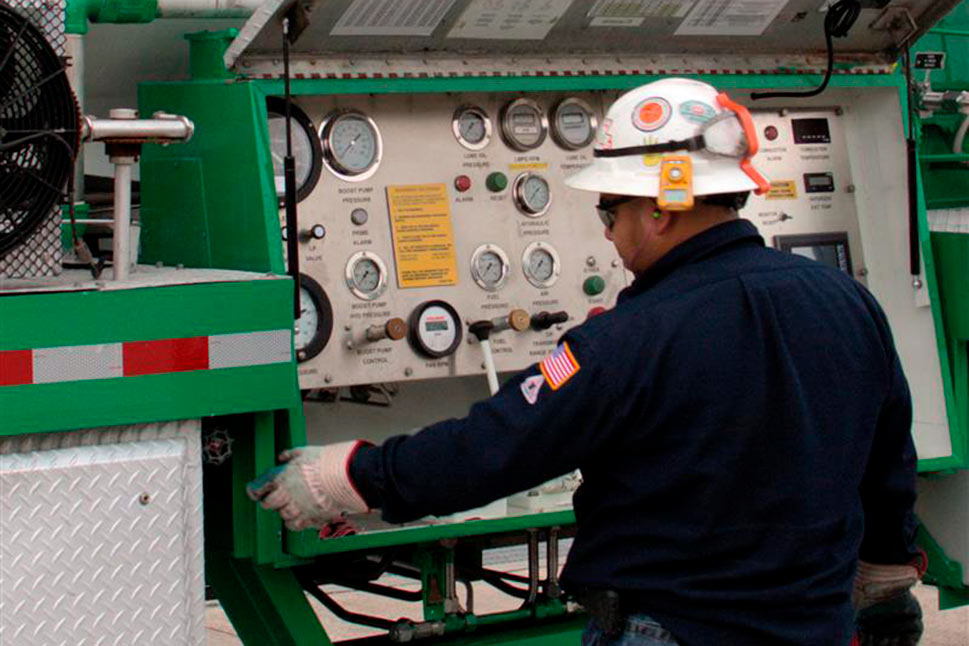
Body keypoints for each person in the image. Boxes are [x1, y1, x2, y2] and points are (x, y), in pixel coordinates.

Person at [248, 78, 924, 645]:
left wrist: (351, 476)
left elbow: (494, 449)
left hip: (674, 627)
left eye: (609, 207)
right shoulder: (846, 302)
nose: (605, 229)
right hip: (816, 626)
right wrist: (888, 568)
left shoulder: (626, 341)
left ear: (662, 208)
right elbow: (889, 454)